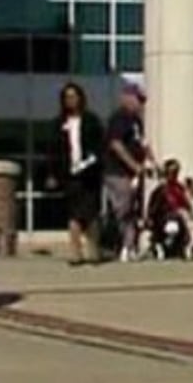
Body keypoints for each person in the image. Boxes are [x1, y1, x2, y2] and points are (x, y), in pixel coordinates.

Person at [47, 82, 104, 266]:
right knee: (73, 214)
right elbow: (52, 151)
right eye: (67, 97)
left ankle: (94, 251)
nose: (71, 100)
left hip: (89, 173)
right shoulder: (58, 124)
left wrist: (93, 163)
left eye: (74, 96)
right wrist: (52, 174)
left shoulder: (91, 121)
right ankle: (75, 252)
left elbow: (99, 146)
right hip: (69, 174)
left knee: (91, 214)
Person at [104, 80, 155, 262]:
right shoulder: (119, 118)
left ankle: (130, 246)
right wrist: (134, 165)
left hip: (133, 174)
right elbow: (116, 144)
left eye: (142, 101)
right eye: (138, 100)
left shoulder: (137, 122)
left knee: (133, 210)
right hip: (118, 172)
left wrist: (153, 163)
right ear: (127, 98)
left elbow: (142, 143)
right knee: (122, 210)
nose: (141, 104)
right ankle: (123, 245)